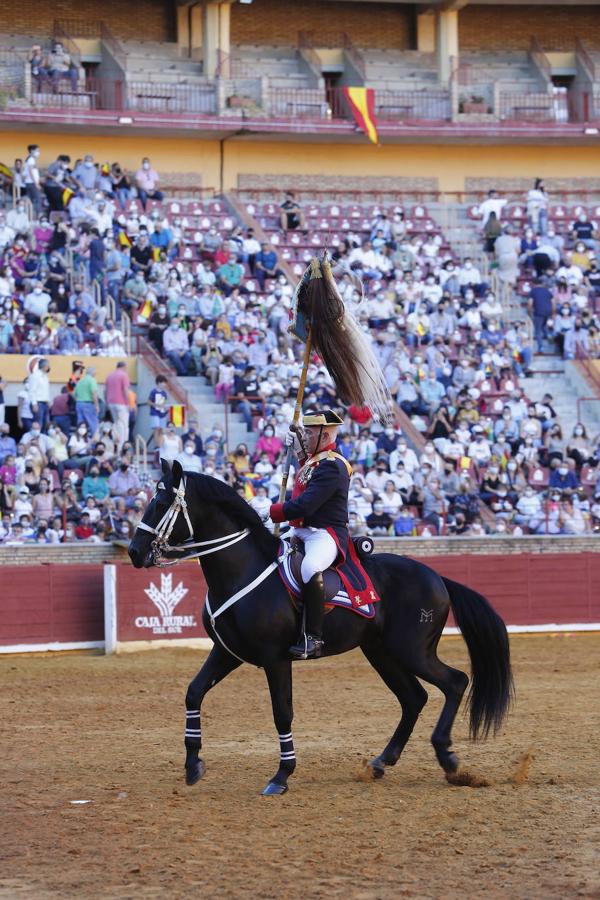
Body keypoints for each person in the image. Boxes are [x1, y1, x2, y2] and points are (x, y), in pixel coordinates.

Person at [269, 410, 376, 660]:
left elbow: (305, 505)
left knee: (310, 567)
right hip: (301, 530)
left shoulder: (334, 466)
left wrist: (271, 511)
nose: (306, 436)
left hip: (324, 533)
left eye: (309, 432)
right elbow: (305, 470)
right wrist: (296, 443)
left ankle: (313, 637)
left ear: (324, 434)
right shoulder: (315, 460)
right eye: (305, 431)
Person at [104, 361, 130, 451]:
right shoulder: (124, 375)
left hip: (111, 403)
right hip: (121, 403)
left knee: (116, 425)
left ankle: (117, 444)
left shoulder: (109, 376)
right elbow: (125, 390)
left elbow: (105, 391)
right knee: (124, 426)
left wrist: (107, 402)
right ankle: (123, 447)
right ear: (124, 367)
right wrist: (129, 403)